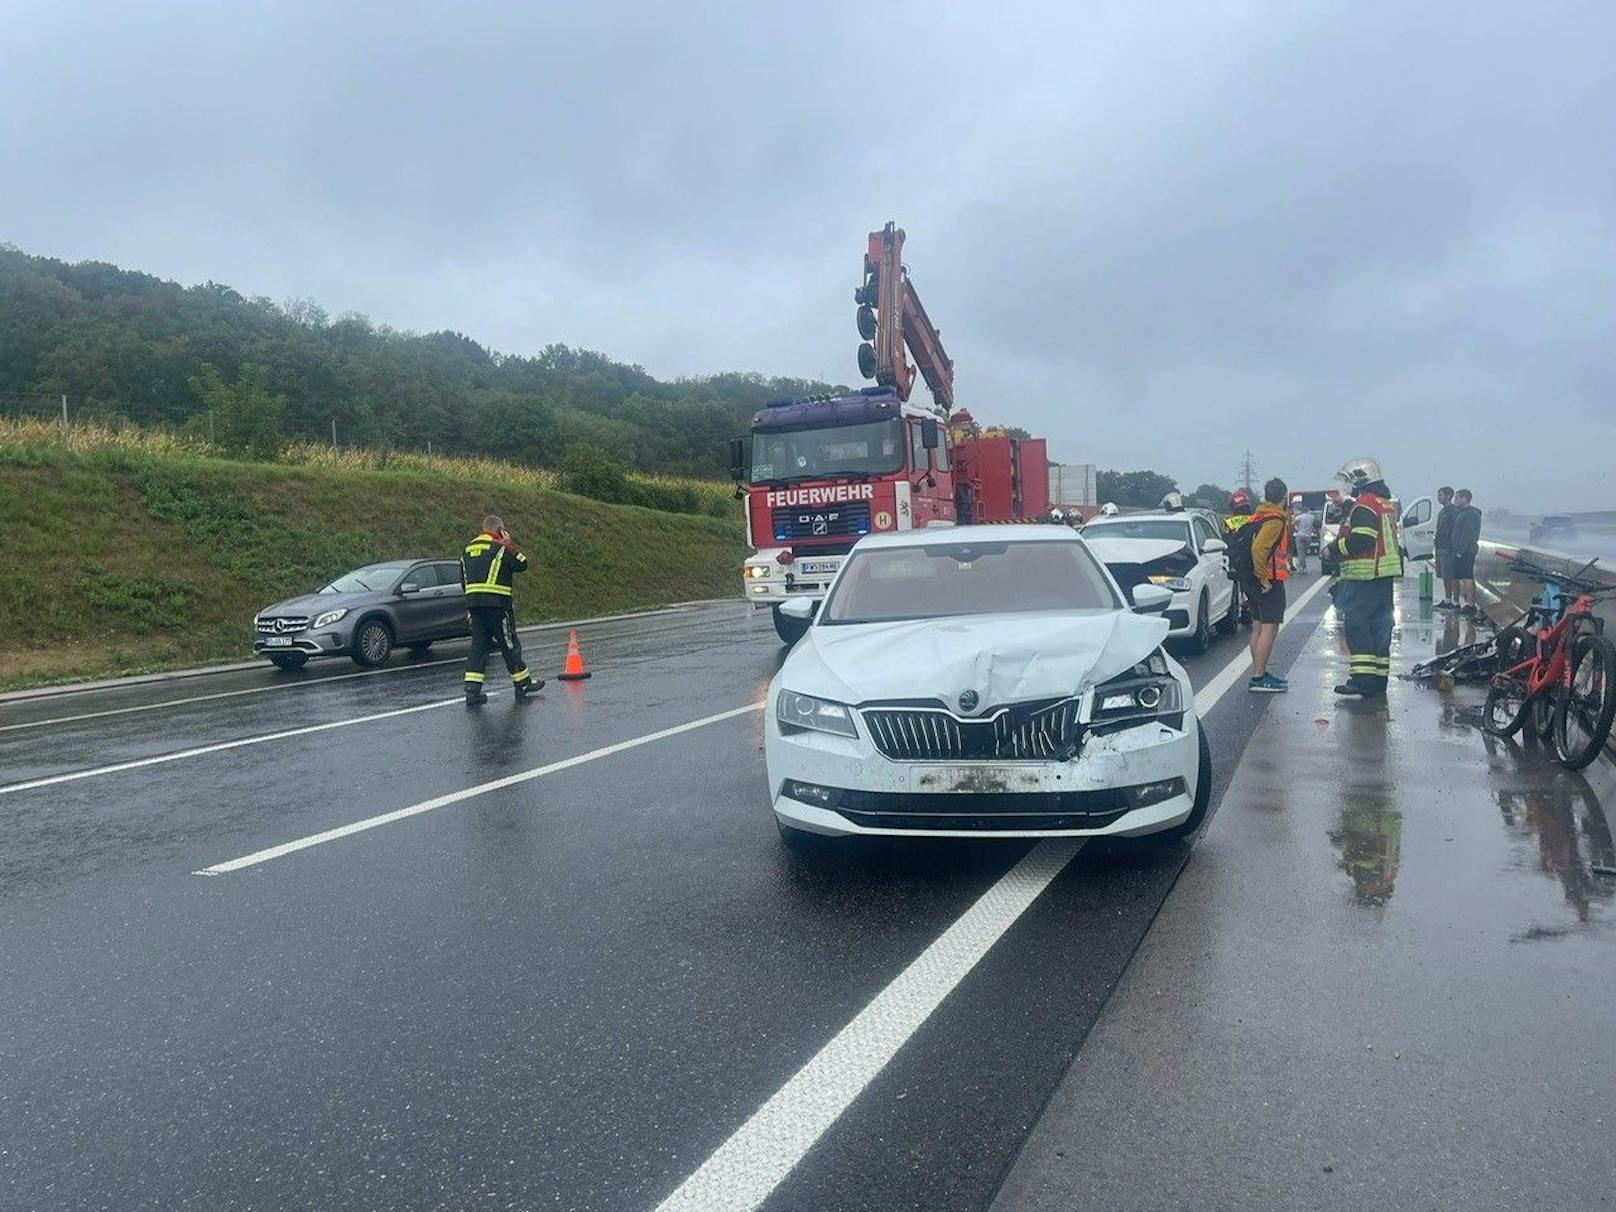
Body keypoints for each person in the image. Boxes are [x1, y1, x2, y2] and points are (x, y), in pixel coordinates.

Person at [1326, 457, 1403, 698]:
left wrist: (1334, 548)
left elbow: (1363, 539)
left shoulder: (1365, 504)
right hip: (1383, 576)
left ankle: (1362, 680)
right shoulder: (1384, 503)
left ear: (1361, 481)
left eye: (1350, 482)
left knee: (1358, 627)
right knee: (1380, 628)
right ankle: (1378, 681)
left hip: (1365, 576)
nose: (1349, 487)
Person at [460, 514, 543, 706]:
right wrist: (507, 543)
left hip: (475, 607)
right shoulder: (500, 548)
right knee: (509, 645)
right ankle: (522, 684)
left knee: (478, 648)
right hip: (498, 607)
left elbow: (464, 582)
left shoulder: (466, 550)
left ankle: (472, 693)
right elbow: (522, 564)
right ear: (499, 531)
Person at [1245, 478, 1292, 693]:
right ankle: (1259, 677)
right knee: (1269, 627)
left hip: (1252, 580)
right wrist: (1264, 578)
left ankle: (1259, 672)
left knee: (1257, 625)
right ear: (1284, 495)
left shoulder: (1260, 514)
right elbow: (1259, 549)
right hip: (1267, 580)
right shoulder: (1275, 520)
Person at [1450, 489, 1483, 617]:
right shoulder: (1463, 513)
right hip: (1464, 550)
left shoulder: (1469, 514)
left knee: (1467, 576)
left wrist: (1460, 551)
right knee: (1464, 576)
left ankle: (1470, 605)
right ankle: (1468, 603)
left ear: (1465, 499)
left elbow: (1467, 535)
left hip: (1466, 551)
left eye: (1457, 498)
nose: (1455, 501)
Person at [1432, 486, 1458, 609]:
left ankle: (1455, 601)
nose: (1438, 497)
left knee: (1451, 575)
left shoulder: (1453, 511)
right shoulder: (1443, 511)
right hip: (1440, 546)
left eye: (1441, 495)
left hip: (1448, 548)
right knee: (1444, 575)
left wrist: (1451, 547)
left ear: (1448, 496)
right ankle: (1448, 600)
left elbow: (1454, 531)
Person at [1293, 507, 1317, 573]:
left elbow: (1293, 524)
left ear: (1302, 510)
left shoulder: (1299, 517)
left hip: (1300, 535)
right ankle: (1301, 565)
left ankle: (1302, 566)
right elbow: (1315, 525)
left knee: (1300, 552)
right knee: (1304, 552)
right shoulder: (1312, 517)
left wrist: (1295, 529)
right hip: (1308, 536)